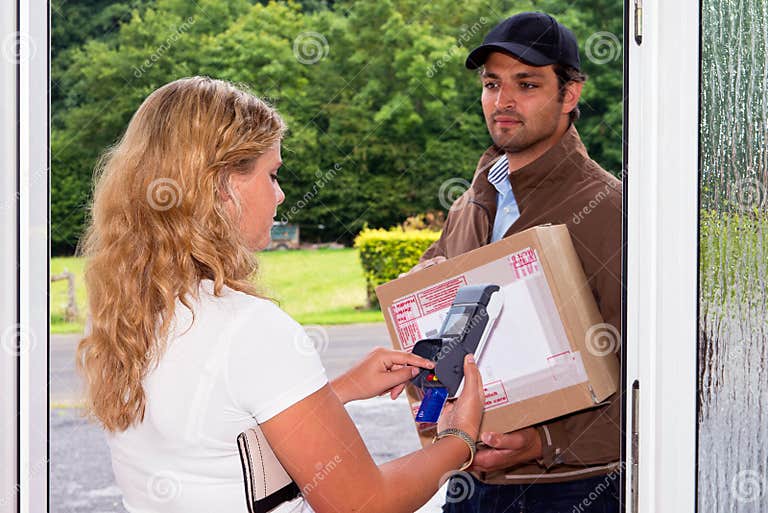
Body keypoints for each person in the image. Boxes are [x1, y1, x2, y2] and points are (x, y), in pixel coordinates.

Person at [76, 76, 486, 513]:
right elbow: (365, 504)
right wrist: (458, 440)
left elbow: (218, 436)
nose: (281, 194)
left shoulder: (124, 313)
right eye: (272, 175)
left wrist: (336, 391)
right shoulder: (248, 327)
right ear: (221, 186)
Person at [407, 12, 623, 513]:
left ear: (570, 95)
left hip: (570, 491)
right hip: (466, 482)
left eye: (526, 84)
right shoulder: (472, 201)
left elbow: (648, 375)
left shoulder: (610, 208)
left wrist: (545, 441)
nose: (502, 102)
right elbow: (437, 320)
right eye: (491, 84)